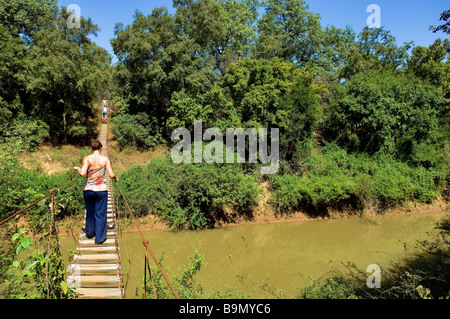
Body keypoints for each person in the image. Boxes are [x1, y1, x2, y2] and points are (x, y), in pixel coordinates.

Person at [75, 140, 118, 244]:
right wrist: (115, 178)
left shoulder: (87, 159)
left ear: (91, 149)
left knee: (90, 212)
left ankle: (90, 233)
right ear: (101, 148)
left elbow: (83, 173)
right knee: (100, 214)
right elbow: (111, 175)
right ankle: (99, 239)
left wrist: (78, 169)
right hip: (101, 190)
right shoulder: (105, 159)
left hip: (89, 189)